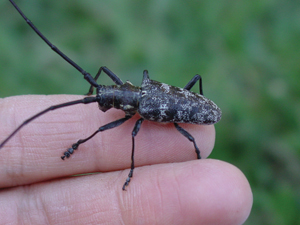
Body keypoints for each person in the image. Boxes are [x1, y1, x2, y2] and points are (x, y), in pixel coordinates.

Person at [0, 95, 252, 224]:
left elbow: (133, 134)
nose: (103, 104)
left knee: (185, 139)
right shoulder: (140, 89)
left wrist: (130, 171)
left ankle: (129, 167)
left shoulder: (144, 111)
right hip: (182, 100)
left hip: (199, 111)